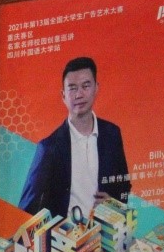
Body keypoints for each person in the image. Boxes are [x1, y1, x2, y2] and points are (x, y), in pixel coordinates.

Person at [18, 56, 130, 222]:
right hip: (66, 236)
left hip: (105, 233)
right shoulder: (49, 148)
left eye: (86, 86)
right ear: (63, 95)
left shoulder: (112, 134)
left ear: (96, 88)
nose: (79, 94)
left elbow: (124, 184)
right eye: (72, 88)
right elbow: (27, 207)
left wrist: (113, 205)